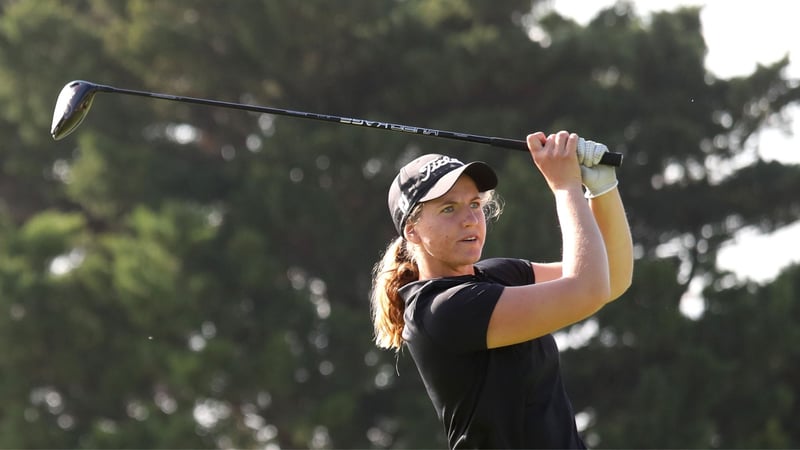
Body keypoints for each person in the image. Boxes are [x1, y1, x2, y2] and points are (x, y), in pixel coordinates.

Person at [369, 131, 634, 449]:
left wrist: (603, 188)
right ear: (412, 231)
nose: (470, 219)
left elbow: (610, 280)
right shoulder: (440, 310)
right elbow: (587, 290)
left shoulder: (498, 275)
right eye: (448, 209)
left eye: (475, 204)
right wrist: (565, 187)